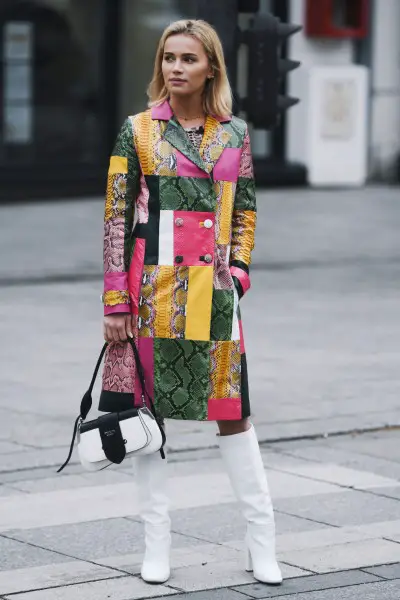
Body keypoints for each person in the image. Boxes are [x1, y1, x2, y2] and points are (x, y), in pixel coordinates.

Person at [100, 19, 282, 587]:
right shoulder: (137, 131)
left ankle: (263, 543)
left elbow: (246, 208)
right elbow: (115, 217)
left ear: (211, 69)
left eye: (188, 59)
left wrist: (240, 271)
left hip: (216, 297)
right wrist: (115, 300)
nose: (176, 68)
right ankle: (157, 545)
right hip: (151, 295)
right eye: (169, 58)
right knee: (148, 420)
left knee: (235, 416)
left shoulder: (235, 134)